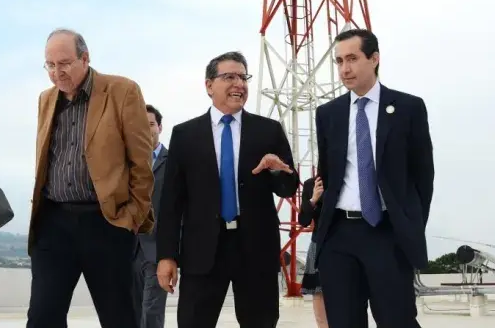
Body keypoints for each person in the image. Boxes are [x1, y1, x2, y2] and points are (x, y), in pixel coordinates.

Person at [156, 51, 299, 328]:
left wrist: (278, 171)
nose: (239, 84)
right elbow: (172, 202)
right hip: (202, 251)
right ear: (209, 85)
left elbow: (288, 188)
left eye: (243, 77)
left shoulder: (268, 130)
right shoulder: (185, 135)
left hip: (255, 248)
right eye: (230, 77)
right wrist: (166, 256)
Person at [27, 28, 155, 328]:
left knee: (119, 318)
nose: (57, 72)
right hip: (54, 223)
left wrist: (131, 218)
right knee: (42, 317)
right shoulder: (46, 99)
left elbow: (141, 162)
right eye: (50, 65)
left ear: (85, 58)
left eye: (64, 63)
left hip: (106, 222)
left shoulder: (122, 91)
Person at [313, 29, 434, 328]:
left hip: (387, 232)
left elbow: (423, 176)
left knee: (397, 320)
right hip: (339, 235)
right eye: (339, 61)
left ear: (374, 58)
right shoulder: (328, 114)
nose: (345, 69)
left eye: (352, 59)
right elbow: (327, 173)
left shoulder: (408, 108)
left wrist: (409, 224)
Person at [132, 104, 169, 328]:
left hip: (158, 249)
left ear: (160, 127)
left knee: (151, 311)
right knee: (130, 309)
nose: (146, 130)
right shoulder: (126, 163)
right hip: (127, 247)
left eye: (151, 124)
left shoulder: (174, 162)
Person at [298, 176, 328, 328]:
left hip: (341, 242)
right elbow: (303, 220)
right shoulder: (311, 184)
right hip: (318, 243)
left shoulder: (344, 179)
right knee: (318, 292)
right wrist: (313, 200)